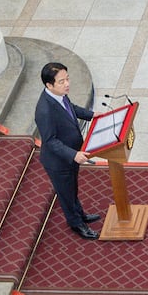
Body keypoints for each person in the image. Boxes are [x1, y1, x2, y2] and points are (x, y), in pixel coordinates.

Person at [34, 62, 98, 239]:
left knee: (73, 188)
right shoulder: (44, 110)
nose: (67, 84)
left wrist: (93, 115)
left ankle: (81, 214)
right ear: (49, 85)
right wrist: (73, 154)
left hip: (71, 155)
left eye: (67, 79)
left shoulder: (59, 95)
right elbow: (50, 141)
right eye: (61, 81)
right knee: (66, 194)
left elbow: (71, 109)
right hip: (59, 162)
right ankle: (76, 223)